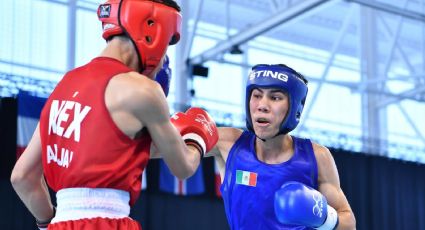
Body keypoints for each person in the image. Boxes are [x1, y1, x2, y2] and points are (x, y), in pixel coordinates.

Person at [10, 0, 218, 229]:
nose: (163, 62)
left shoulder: (64, 85)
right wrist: (198, 134)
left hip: (61, 222)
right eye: (168, 44)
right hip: (109, 222)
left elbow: (22, 177)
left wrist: (48, 222)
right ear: (152, 30)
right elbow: (183, 167)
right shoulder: (142, 90)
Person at [207, 64, 356, 229]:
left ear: (294, 108)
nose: (262, 105)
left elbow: (348, 223)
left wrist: (324, 218)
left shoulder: (316, 157)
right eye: (256, 95)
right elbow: (180, 153)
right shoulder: (229, 143)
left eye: (275, 97)